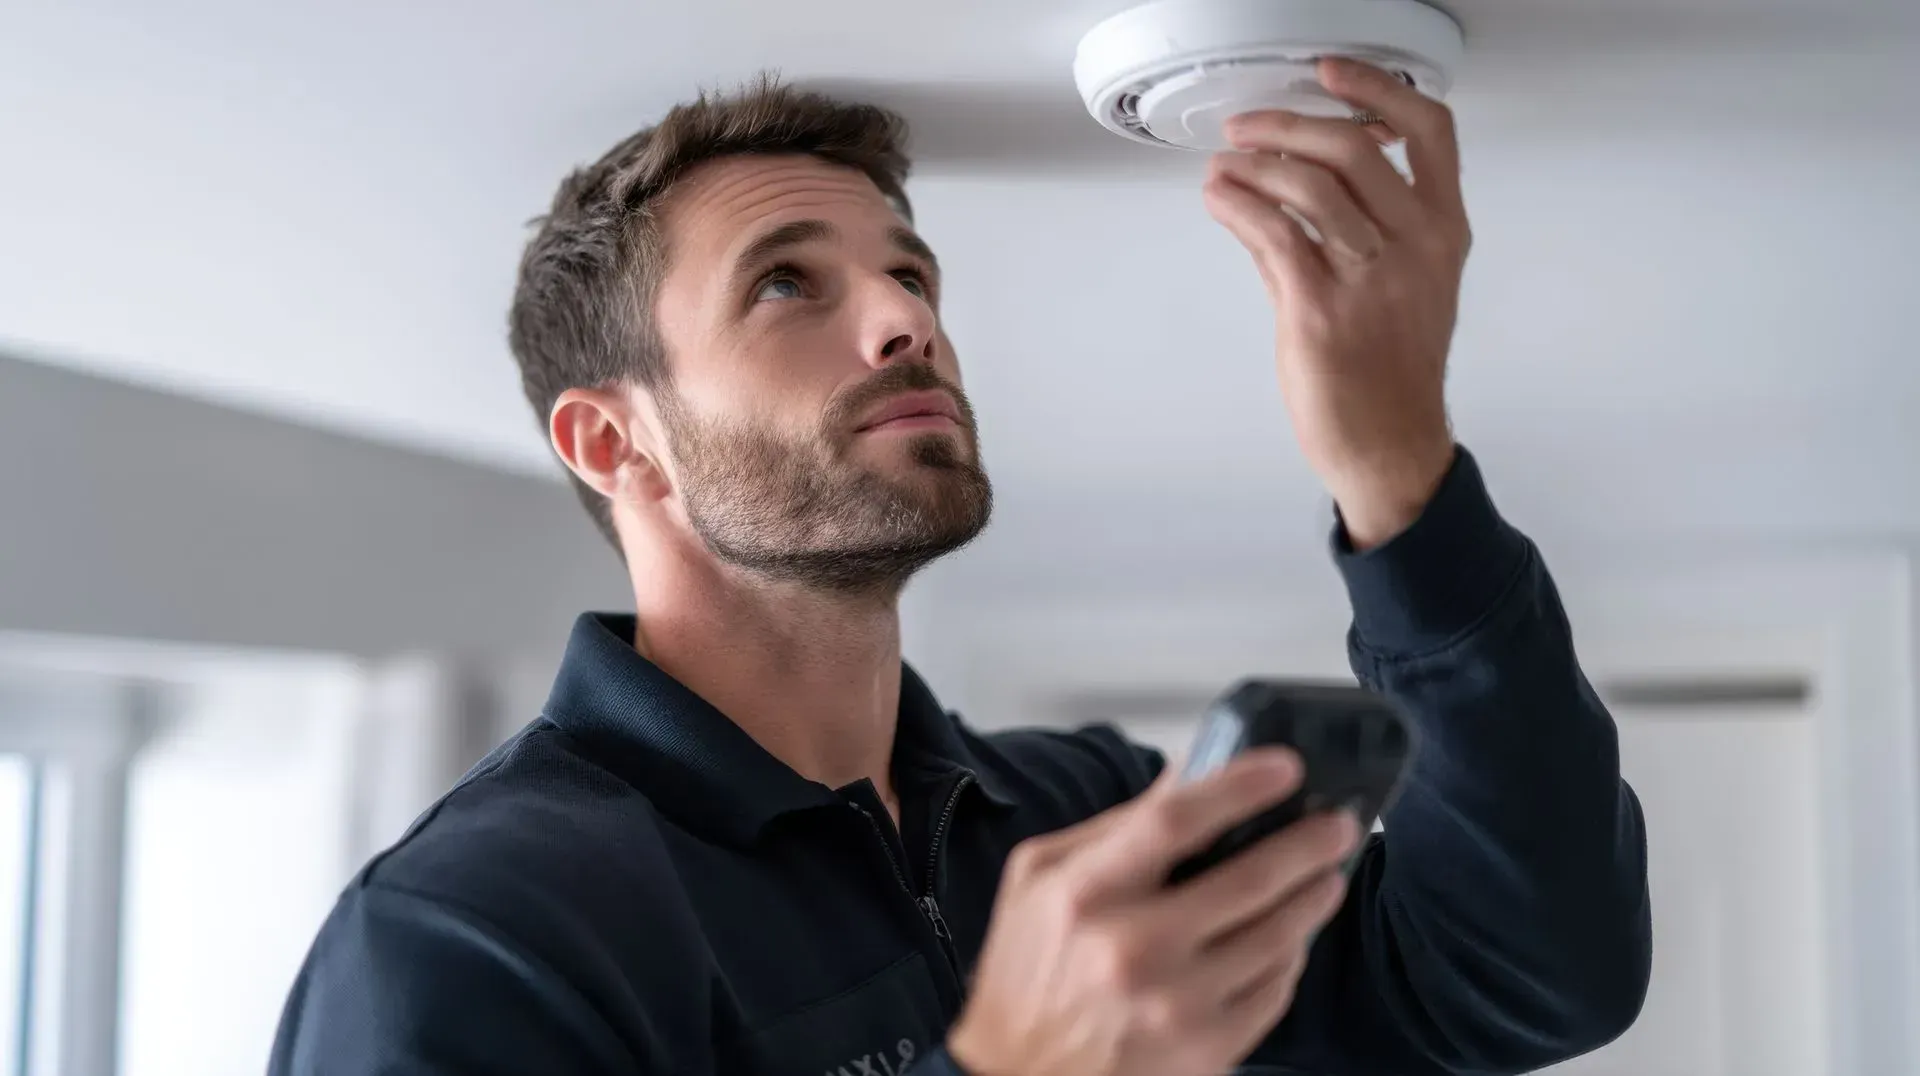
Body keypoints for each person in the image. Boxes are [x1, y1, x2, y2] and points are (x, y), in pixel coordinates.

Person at [270, 59, 1651, 1075]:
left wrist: (1399, 475)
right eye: (785, 283)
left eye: (912, 277)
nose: (902, 320)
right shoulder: (463, 941)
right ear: (616, 443)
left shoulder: (1086, 816)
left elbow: (1528, 979)